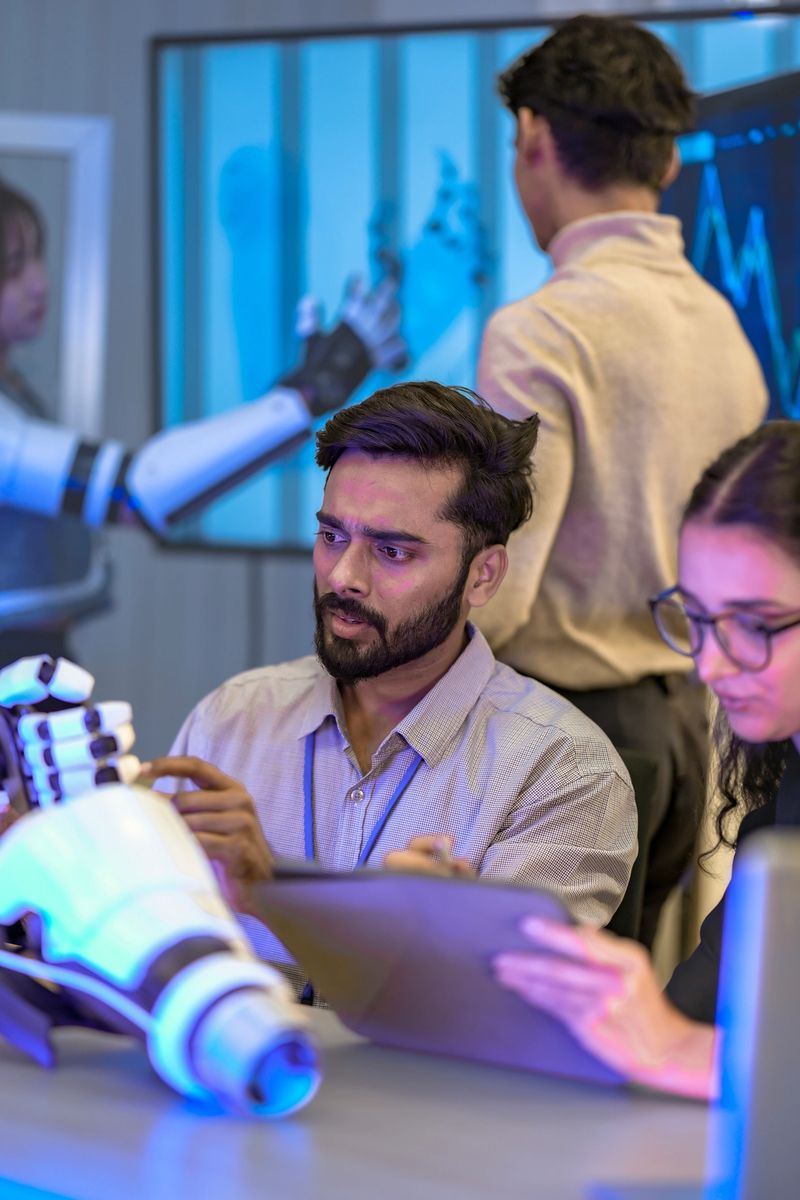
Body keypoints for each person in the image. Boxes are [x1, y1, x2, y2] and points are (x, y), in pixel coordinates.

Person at [143, 382, 637, 972]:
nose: (344, 576)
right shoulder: (234, 718)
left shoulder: (562, 771)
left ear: (483, 576)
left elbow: (501, 1016)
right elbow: (140, 940)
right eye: (332, 536)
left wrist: (292, 901)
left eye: (392, 552)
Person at [473, 14, 768, 946]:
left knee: (543, 1036)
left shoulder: (542, 331)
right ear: (668, 164)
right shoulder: (723, 325)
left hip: (573, 736)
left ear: (534, 140)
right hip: (692, 734)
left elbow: (502, 591)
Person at [494, 421, 800, 1100]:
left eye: (753, 625)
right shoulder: (781, 806)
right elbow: (689, 1022)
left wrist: (685, 1050)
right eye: (698, 618)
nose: (710, 665)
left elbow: (693, 1044)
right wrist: (471, 925)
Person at [0, 176, 403, 670]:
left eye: (35, 258)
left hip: (35, 659)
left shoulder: (14, 391)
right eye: (13, 267)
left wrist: (301, 395)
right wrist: (306, 392)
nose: (38, 281)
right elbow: (139, 491)